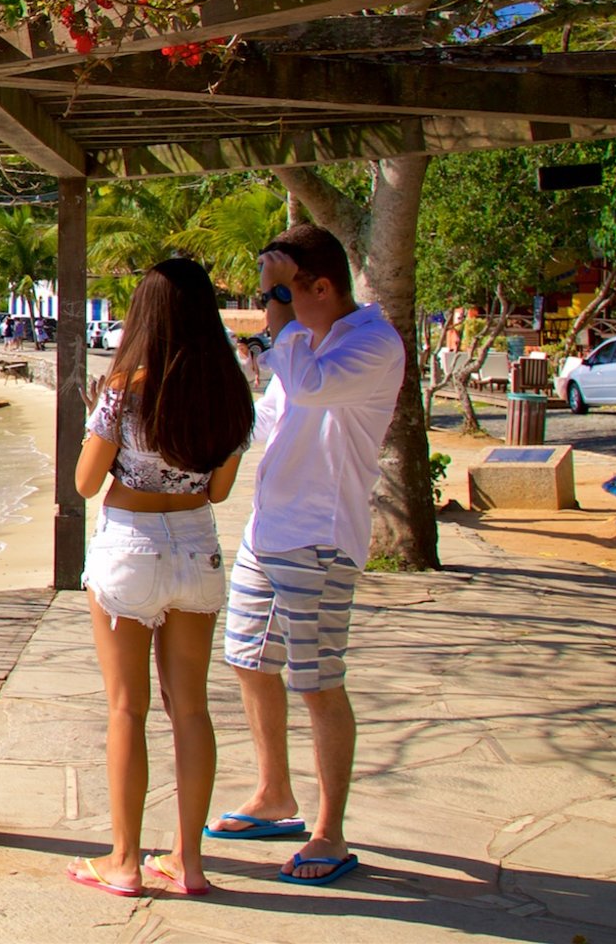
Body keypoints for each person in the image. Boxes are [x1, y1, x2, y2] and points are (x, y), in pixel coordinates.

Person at [208, 224, 405, 889]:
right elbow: (272, 418)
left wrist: (282, 328)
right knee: (247, 659)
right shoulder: (305, 344)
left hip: (320, 536)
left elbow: (313, 388)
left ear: (322, 287)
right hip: (270, 530)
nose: (274, 308)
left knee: (317, 681)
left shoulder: (372, 344)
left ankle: (330, 829)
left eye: (284, 294)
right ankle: (274, 795)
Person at [67, 257, 254, 899]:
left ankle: (123, 861)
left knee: (127, 708)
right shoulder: (232, 393)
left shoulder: (125, 387)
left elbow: (86, 483)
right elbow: (221, 490)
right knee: (192, 709)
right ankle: (189, 862)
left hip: (130, 549)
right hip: (197, 547)